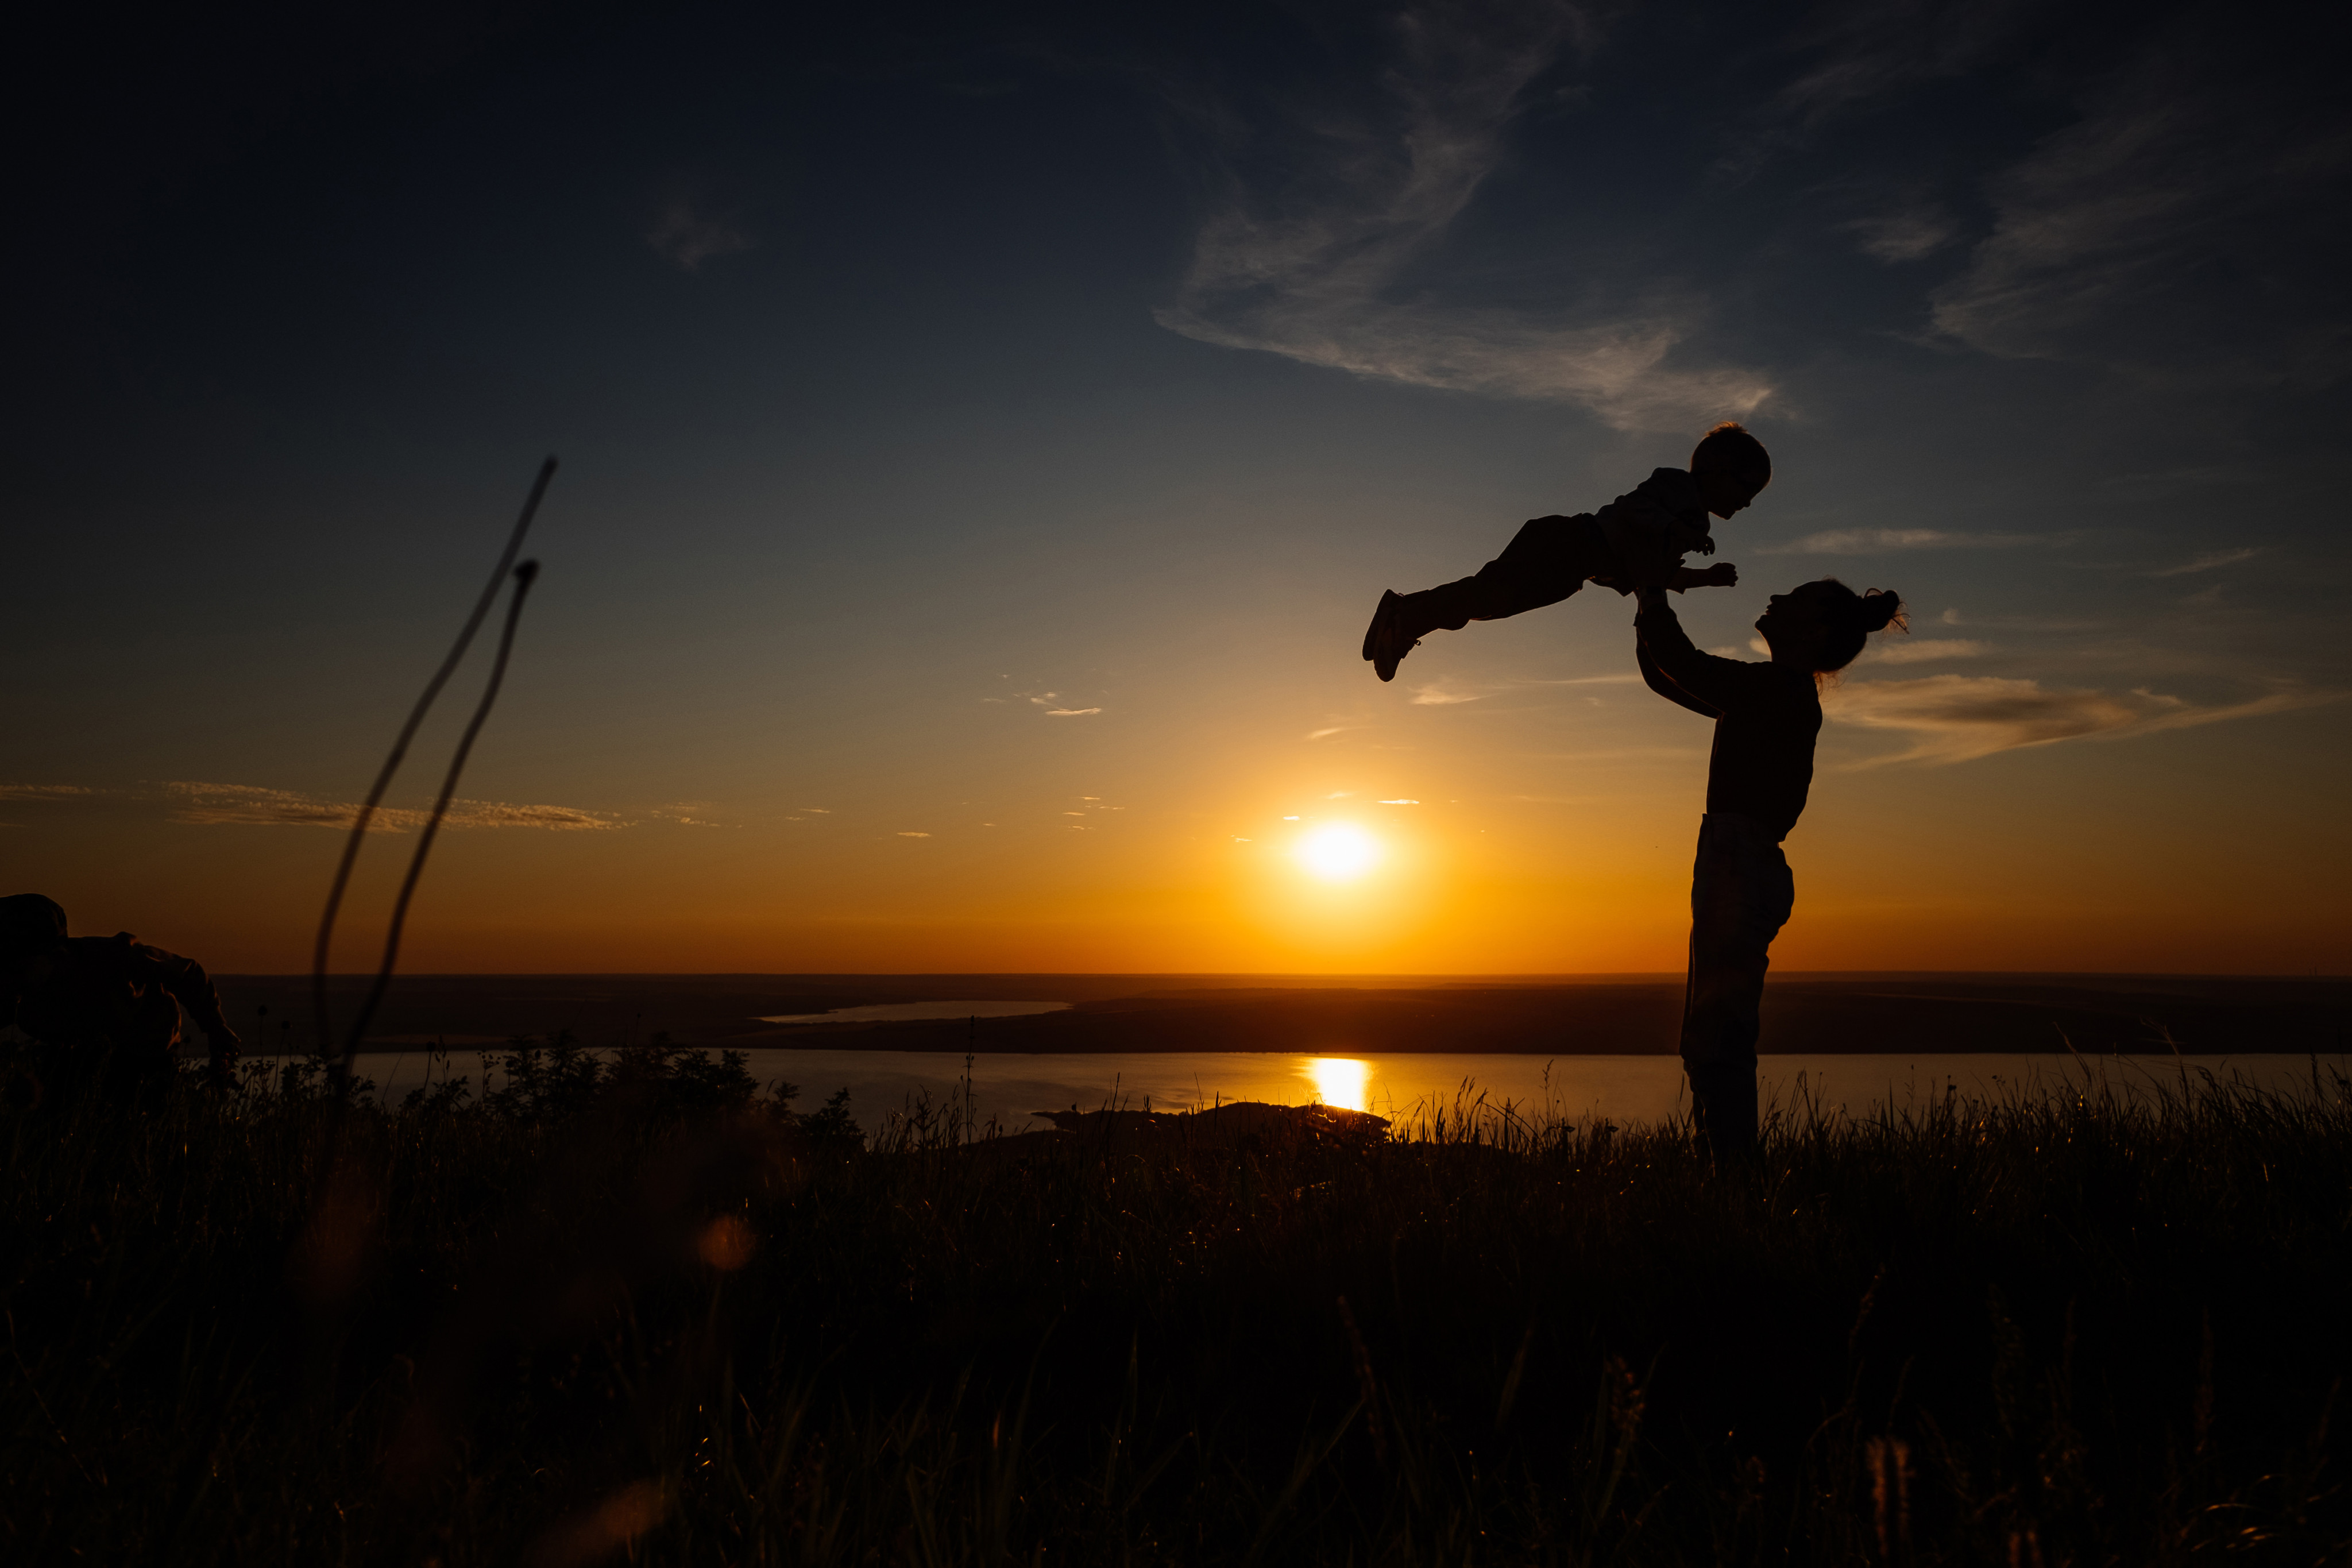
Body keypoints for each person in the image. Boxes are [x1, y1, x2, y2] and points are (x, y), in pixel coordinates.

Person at [1632, 578, 1906, 1153]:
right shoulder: (1774, 692)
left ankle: (1734, 1184)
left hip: (1737, 863)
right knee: (1712, 1035)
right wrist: (1644, 600)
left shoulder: (1776, 689)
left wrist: (1653, 594)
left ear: (1812, 631)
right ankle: (1726, 1179)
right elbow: (1668, 674)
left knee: (1717, 1038)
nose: (1777, 598)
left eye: (1795, 599)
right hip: (1739, 862)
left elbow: (1681, 663)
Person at [1361, 422, 1773, 682]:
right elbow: (1633, 508)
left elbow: (1654, 574)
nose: (1748, 503)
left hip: (1575, 569)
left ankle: (1406, 618)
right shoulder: (1676, 488)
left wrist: (1705, 578)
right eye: (1746, 489)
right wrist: (1674, 527)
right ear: (1718, 472)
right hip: (1567, 541)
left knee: (1491, 601)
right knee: (1491, 594)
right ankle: (1404, 614)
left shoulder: (1693, 526)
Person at [0, 893, 241, 1098]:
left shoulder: (117, 957)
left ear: (59, 955)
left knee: (140, 1125)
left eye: (18, 967)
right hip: (73, 1057)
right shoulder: (17, 989)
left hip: (146, 1056)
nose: (10, 976)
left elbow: (186, 974)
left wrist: (216, 1027)